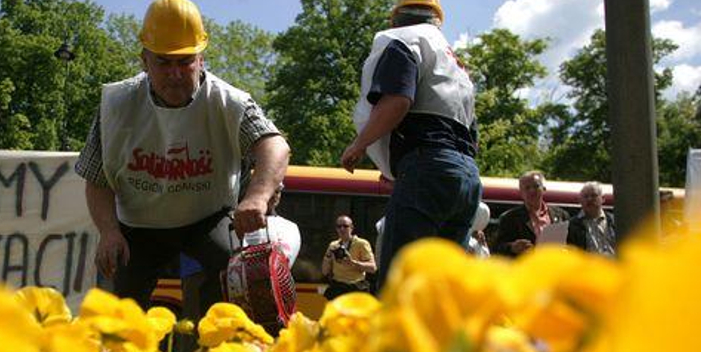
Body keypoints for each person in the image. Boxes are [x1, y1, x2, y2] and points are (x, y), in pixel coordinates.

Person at [74, 0, 290, 312]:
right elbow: (97, 178)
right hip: (137, 224)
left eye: (185, 61)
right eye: (163, 62)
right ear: (144, 60)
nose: (175, 73)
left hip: (207, 217)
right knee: (116, 293)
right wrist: (108, 231)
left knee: (232, 271)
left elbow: (275, 145)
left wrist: (257, 196)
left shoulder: (230, 102)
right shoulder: (116, 105)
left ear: (201, 59)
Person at [341, 0, 480, 284]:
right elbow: (469, 134)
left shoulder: (402, 41)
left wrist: (360, 144)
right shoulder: (455, 66)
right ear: (436, 21)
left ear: (396, 20)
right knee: (440, 290)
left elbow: (398, 100)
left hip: (427, 166)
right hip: (466, 177)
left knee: (399, 285)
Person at [492, 170, 571, 257]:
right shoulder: (509, 218)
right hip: (525, 268)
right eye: (527, 188)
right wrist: (512, 247)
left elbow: (574, 245)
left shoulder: (561, 215)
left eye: (536, 186)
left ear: (544, 189)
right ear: (521, 193)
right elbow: (496, 249)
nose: (532, 191)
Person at [322, 215, 377, 300]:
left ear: (351, 228)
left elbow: (373, 268)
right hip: (338, 288)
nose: (342, 229)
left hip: (355, 288)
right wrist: (328, 256)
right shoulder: (333, 245)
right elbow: (325, 271)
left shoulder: (361, 243)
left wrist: (352, 263)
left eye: (345, 226)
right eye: (339, 226)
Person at [567, 181, 616, 256]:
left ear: (603, 199)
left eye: (594, 195)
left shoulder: (614, 220)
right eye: (586, 196)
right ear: (580, 200)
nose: (589, 199)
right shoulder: (572, 225)